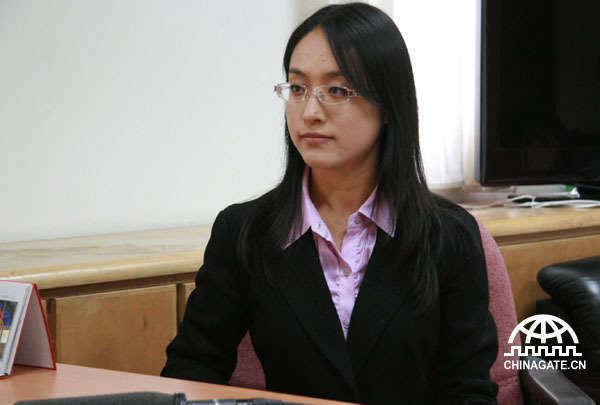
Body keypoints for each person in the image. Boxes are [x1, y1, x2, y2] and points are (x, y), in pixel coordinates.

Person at [162, 3, 498, 403]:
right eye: (298, 88)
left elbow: (468, 391)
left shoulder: (448, 235)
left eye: (337, 90)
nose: (310, 112)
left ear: (389, 105)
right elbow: (191, 370)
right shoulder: (244, 231)